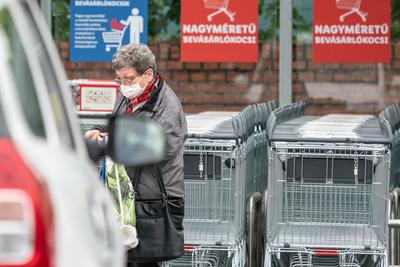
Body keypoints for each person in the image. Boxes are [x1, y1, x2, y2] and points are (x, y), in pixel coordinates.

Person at [85, 44, 187, 267]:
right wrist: (101, 131)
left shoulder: (166, 104)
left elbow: (165, 146)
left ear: (148, 74)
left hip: (155, 198)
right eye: (119, 79)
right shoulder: (128, 96)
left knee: (141, 259)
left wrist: (115, 143)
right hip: (127, 194)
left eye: (129, 78)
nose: (124, 85)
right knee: (128, 258)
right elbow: (118, 124)